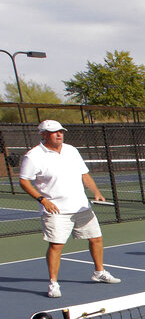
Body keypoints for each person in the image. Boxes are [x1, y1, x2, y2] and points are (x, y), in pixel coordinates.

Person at [19, 120, 120, 298]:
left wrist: (96, 191)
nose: (59, 134)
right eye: (53, 132)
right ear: (43, 134)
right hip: (56, 210)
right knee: (57, 245)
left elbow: (84, 174)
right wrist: (42, 200)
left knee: (96, 239)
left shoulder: (71, 150)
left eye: (61, 131)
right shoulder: (33, 156)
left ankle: (99, 272)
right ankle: (53, 284)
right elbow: (24, 181)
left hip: (81, 207)